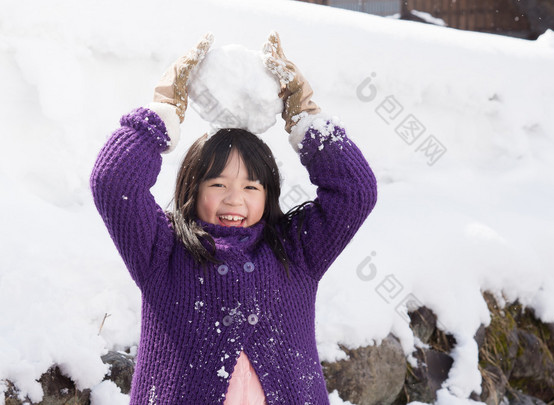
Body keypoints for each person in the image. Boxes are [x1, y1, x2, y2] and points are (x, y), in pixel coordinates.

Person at [90, 31, 377, 405]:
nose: (234, 200)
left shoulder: (296, 250)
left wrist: (305, 117)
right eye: (218, 183)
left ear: (269, 194)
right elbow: (113, 181)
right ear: (193, 187)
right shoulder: (162, 252)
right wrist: (163, 111)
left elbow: (355, 191)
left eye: (251, 188)